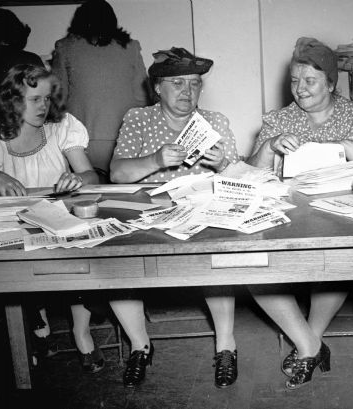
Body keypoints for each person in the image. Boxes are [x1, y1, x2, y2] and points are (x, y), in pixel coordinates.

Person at [246, 37, 353, 389]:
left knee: (339, 258)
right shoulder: (278, 120)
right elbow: (249, 173)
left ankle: (308, 341)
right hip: (288, 216)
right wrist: (269, 148)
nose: (300, 89)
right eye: (295, 81)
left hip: (342, 216)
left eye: (310, 81)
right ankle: (310, 344)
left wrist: (347, 146)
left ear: (330, 83)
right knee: (250, 263)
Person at [109, 47, 240, 388]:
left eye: (195, 83)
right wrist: (154, 161)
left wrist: (222, 165)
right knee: (116, 260)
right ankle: (140, 345)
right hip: (149, 217)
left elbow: (242, 180)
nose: (187, 91)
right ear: (157, 88)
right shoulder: (139, 119)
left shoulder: (215, 121)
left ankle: (226, 345)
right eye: (177, 83)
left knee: (220, 256)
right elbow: (117, 174)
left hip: (201, 216)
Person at [0, 64, 103, 372]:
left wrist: (78, 180)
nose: (43, 106)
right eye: (33, 98)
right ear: (12, 101)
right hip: (22, 233)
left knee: (83, 262)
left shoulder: (61, 128)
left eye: (47, 98)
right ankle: (37, 325)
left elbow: (90, 175)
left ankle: (81, 331)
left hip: (62, 225)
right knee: (25, 268)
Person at [51, 0, 150, 173]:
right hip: (124, 138)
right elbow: (142, 97)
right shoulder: (131, 47)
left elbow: (58, 97)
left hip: (80, 141)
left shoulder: (65, 47)